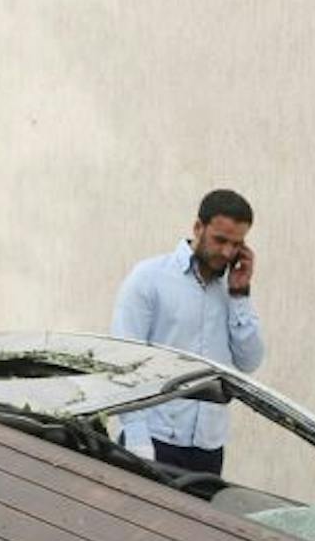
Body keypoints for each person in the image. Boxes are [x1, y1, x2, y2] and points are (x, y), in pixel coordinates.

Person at [110, 189, 263, 475]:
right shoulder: (149, 279)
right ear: (198, 228)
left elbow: (249, 361)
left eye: (236, 244)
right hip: (153, 441)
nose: (227, 252)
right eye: (220, 240)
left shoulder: (232, 290)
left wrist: (241, 294)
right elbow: (122, 363)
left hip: (208, 447)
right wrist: (138, 441)